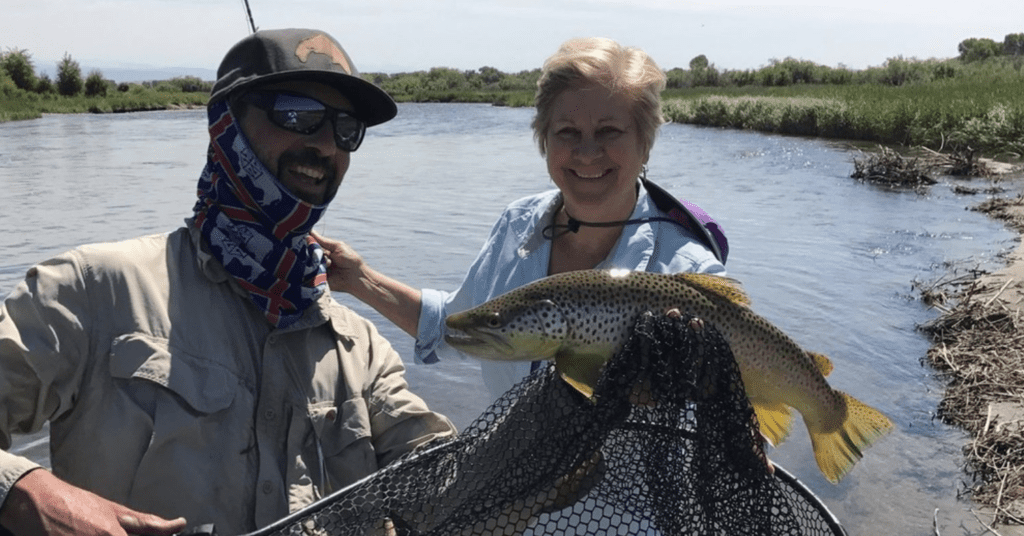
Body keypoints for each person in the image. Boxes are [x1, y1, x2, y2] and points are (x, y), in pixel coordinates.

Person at [0, 29, 456, 536]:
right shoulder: (92, 288)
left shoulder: (362, 349)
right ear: (226, 126)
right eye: (297, 114)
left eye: (346, 129)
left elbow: (439, 473)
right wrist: (29, 495)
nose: (326, 144)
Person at [317, 37, 727, 404]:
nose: (587, 152)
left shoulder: (689, 271)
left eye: (609, 131)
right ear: (543, 140)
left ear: (645, 142)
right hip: (518, 486)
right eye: (567, 131)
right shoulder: (517, 226)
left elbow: (740, 412)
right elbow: (460, 326)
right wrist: (359, 280)